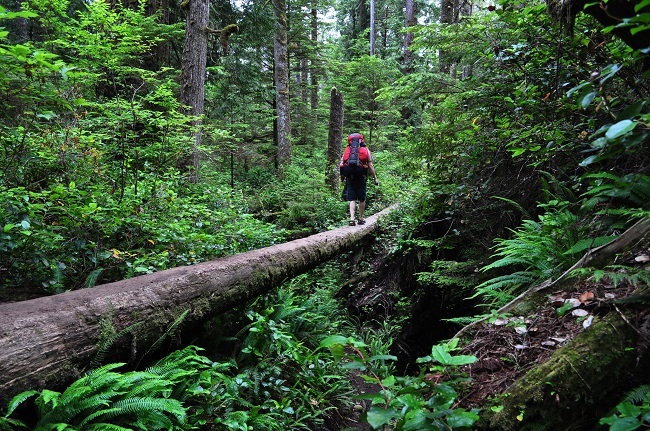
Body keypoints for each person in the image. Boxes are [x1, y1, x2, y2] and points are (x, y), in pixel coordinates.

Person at [340, 132, 378, 226]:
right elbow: (370, 165)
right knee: (362, 198)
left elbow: (342, 164)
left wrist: (342, 177)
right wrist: (375, 178)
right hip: (361, 177)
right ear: (361, 140)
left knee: (352, 199)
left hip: (350, 177)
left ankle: (352, 219)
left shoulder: (347, 150)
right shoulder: (366, 150)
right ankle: (360, 218)